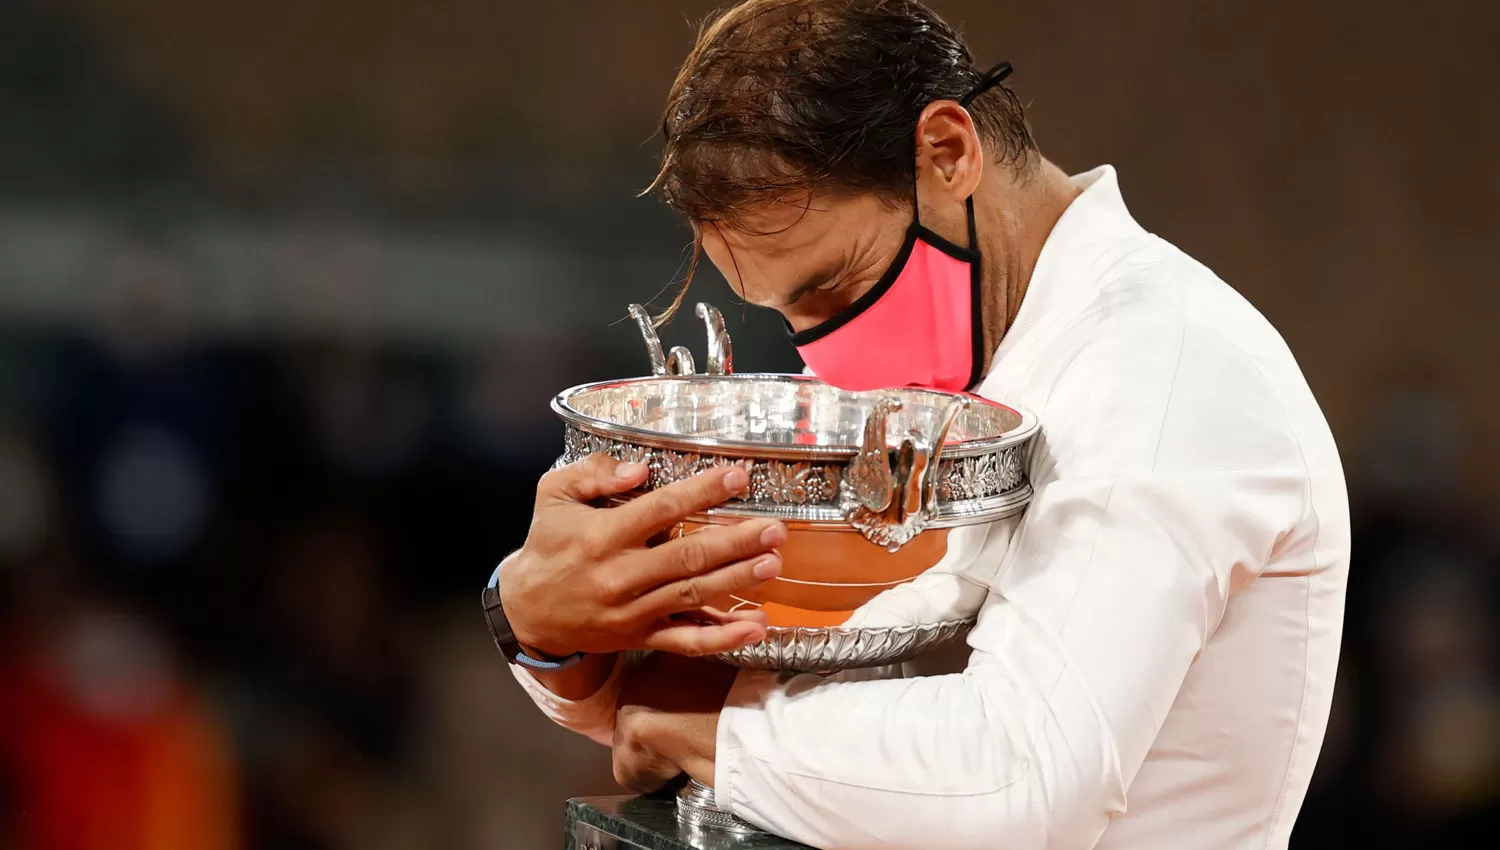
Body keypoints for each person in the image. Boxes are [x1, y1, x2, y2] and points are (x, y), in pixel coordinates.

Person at [484, 1, 1350, 847]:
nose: (823, 356)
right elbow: (663, 696)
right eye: (787, 317)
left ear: (947, 152)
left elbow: (1025, 777)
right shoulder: (948, 363)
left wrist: (716, 738)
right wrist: (544, 622)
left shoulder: (1167, 370)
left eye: (835, 287)